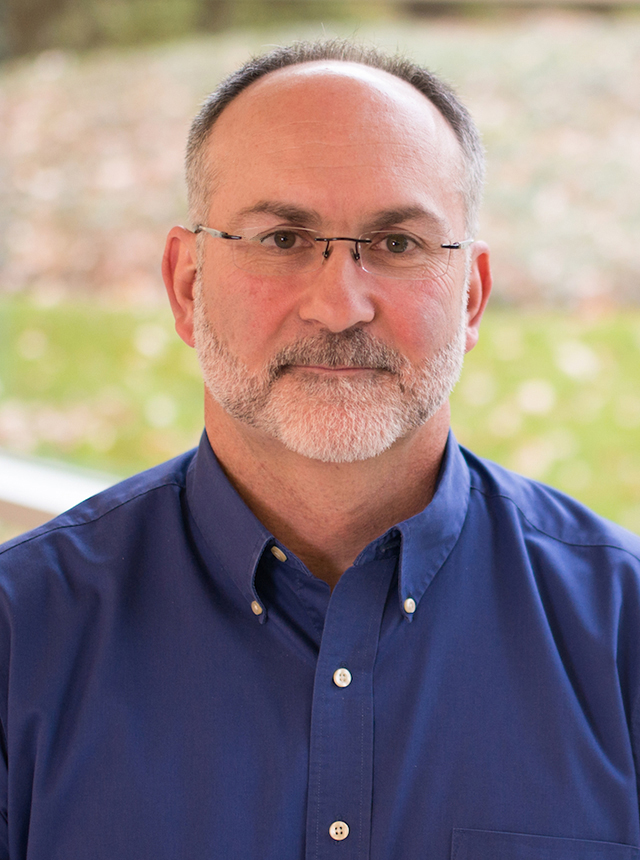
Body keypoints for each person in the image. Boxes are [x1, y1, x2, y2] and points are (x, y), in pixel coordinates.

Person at [1, 38, 640, 860]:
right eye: (281, 239)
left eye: (398, 244)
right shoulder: (22, 637)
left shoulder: (623, 636)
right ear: (187, 285)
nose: (339, 307)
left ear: (472, 296)